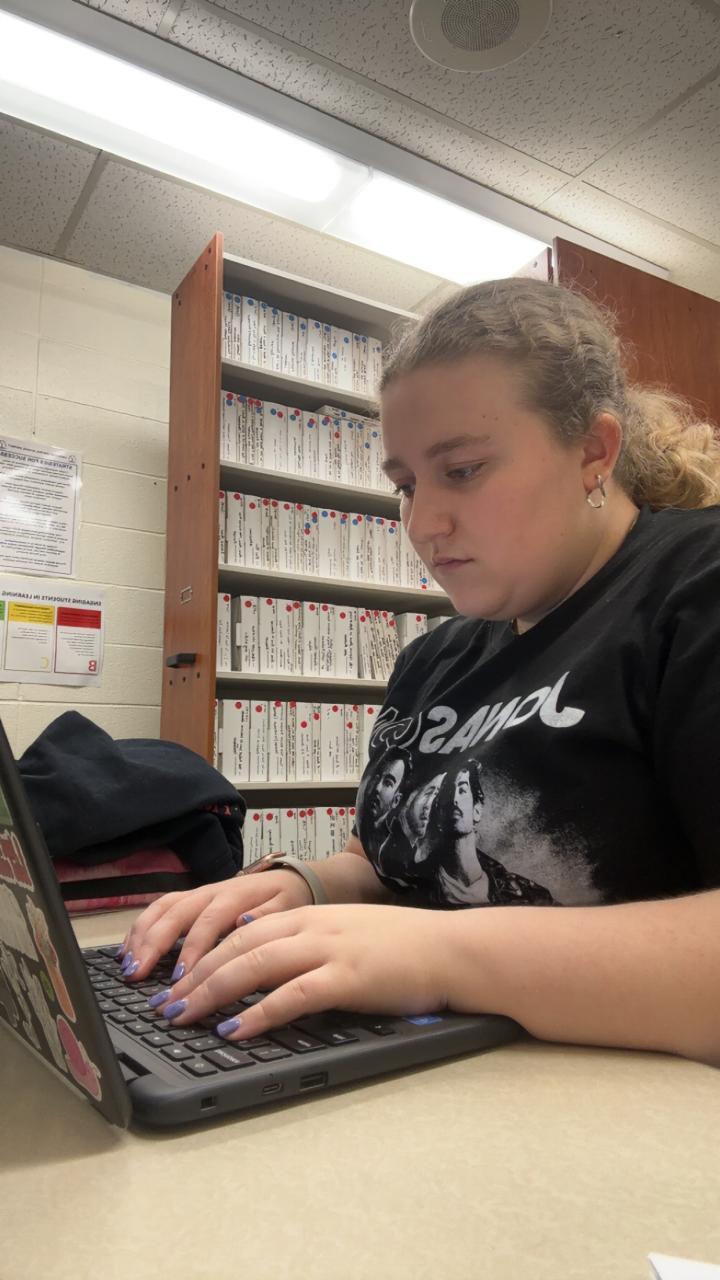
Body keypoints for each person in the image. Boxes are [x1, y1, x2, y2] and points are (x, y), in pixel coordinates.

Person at [121, 276, 720, 1066]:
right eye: (405, 485)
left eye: (462, 470)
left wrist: (441, 957)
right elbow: (390, 863)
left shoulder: (694, 587)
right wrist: (306, 886)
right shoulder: (434, 658)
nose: (423, 523)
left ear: (592, 451)